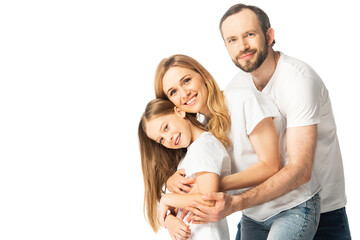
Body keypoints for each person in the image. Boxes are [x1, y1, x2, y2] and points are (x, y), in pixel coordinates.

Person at [185, 3, 351, 240]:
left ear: (269, 35)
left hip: (321, 209)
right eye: (232, 40)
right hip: (259, 210)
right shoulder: (236, 89)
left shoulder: (299, 81)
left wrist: (234, 200)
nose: (242, 46)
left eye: (249, 35)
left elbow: (300, 170)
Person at [154, 54, 321, 239]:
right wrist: (170, 203)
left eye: (186, 81)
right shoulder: (198, 133)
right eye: (173, 92)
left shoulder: (243, 100)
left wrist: (215, 184)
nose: (184, 94)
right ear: (172, 106)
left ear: (201, 74)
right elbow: (189, 191)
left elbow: (270, 165)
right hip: (253, 214)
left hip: (292, 205)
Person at [138, 98, 232, 240]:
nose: (167, 138)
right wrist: (170, 220)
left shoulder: (204, 146)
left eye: (165, 128)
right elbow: (181, 203)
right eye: (161, 140)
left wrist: (166, 199)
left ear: (180, 111)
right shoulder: (189, 155)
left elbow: (209, 201)